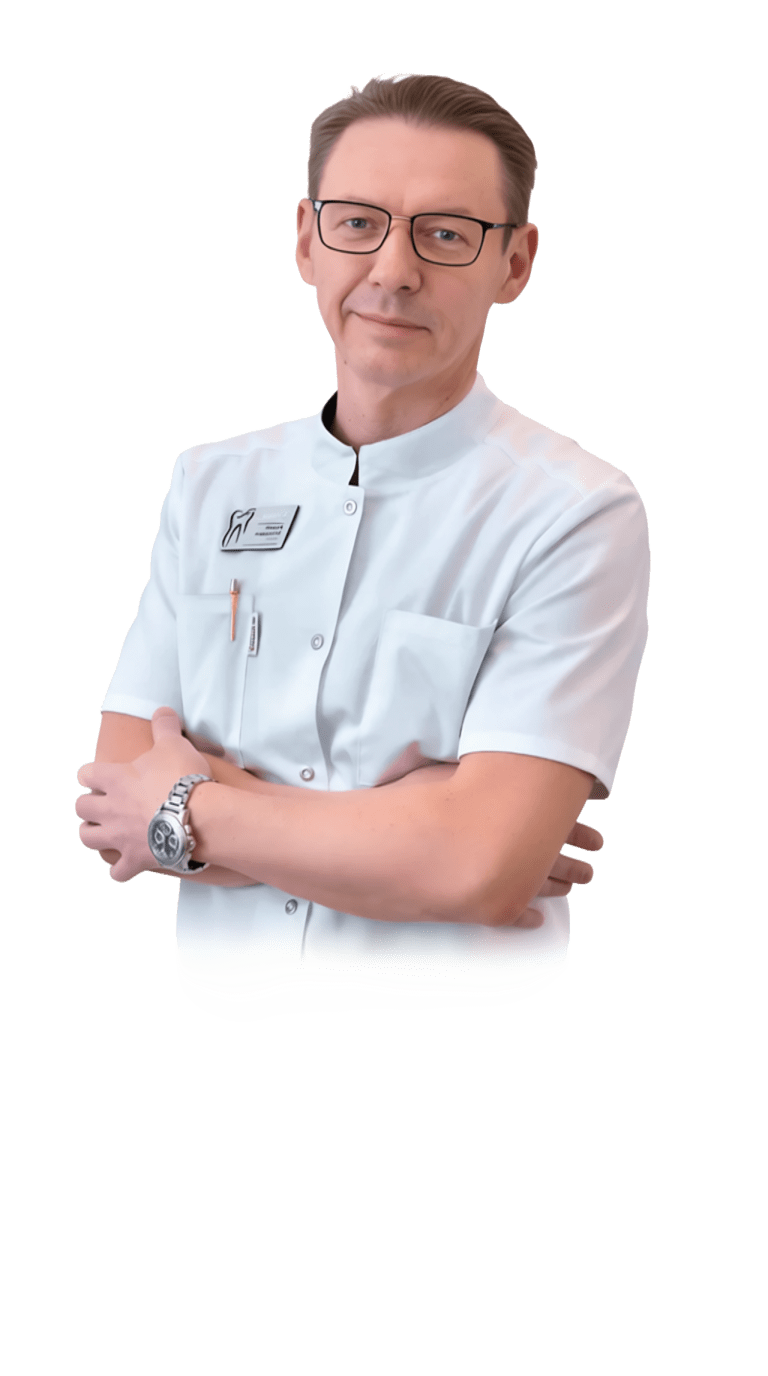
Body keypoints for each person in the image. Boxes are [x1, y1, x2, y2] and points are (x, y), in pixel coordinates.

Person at [75, 70, 651, 1035]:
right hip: (218, 1035)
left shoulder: (576, 509)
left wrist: (185, 805)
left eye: (446, 233)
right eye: (357, 223)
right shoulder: (208, 483)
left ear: (515, 263)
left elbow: (477, 868)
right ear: (306, 238)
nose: (393, 269)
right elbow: (112, 802)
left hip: (474, 1049)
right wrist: (420, 836)